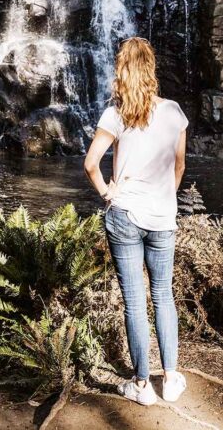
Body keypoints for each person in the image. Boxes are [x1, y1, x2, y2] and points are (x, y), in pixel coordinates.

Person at [84, 37, 189, 406]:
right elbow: (179, 165)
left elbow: (90, 164)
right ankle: (171, 378)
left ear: (122, 70)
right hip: (162, 217)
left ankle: (142, 385)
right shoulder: (175, 112)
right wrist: (165, 197)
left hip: (124, 214)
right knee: (163, 294)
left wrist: (107, 192)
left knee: (134, 302)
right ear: (152, 69)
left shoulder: (116, 113)